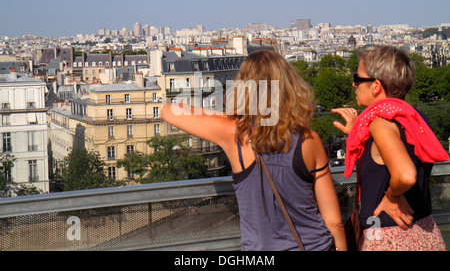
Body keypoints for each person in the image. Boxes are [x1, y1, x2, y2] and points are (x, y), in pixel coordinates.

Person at [162, 50, 347, 251]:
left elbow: (170, 110)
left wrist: (235, 116)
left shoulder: (234, 134)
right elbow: (334, 222)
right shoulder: (309, 139)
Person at [332, 45, 449, 251]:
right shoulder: (416, 119)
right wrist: (356, 133)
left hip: (388, 238)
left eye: (358, 79)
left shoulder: (380, 125)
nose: (353, 84)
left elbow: (405, 175)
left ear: (376, 86)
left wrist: (391, 197)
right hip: (424, 232)